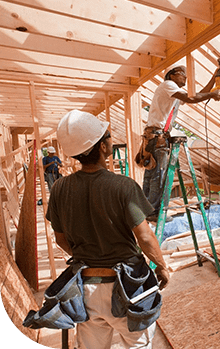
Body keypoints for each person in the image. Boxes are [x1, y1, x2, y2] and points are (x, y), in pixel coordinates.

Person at [45, 110, 170, 349]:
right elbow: (145, 237)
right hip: (126, 286)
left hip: (85, 288)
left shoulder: (60, 189)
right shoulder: (123, 186)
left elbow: (61, 240)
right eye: (109, 137)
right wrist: (162, 267)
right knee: (138, 345)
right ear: (103, 147)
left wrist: (90, 255)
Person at [140, 65, 220, 221]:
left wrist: (214, 77)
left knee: (152, 174)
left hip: (154, 136)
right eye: (183, 75)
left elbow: (197, 95)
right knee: (158, 175)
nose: (186, 78)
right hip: (157, 137)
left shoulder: (173, 93)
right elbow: (192, 99)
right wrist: (212, 95)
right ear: (172, 75)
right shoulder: (168, 86)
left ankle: (144, 210)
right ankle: (152, 212)